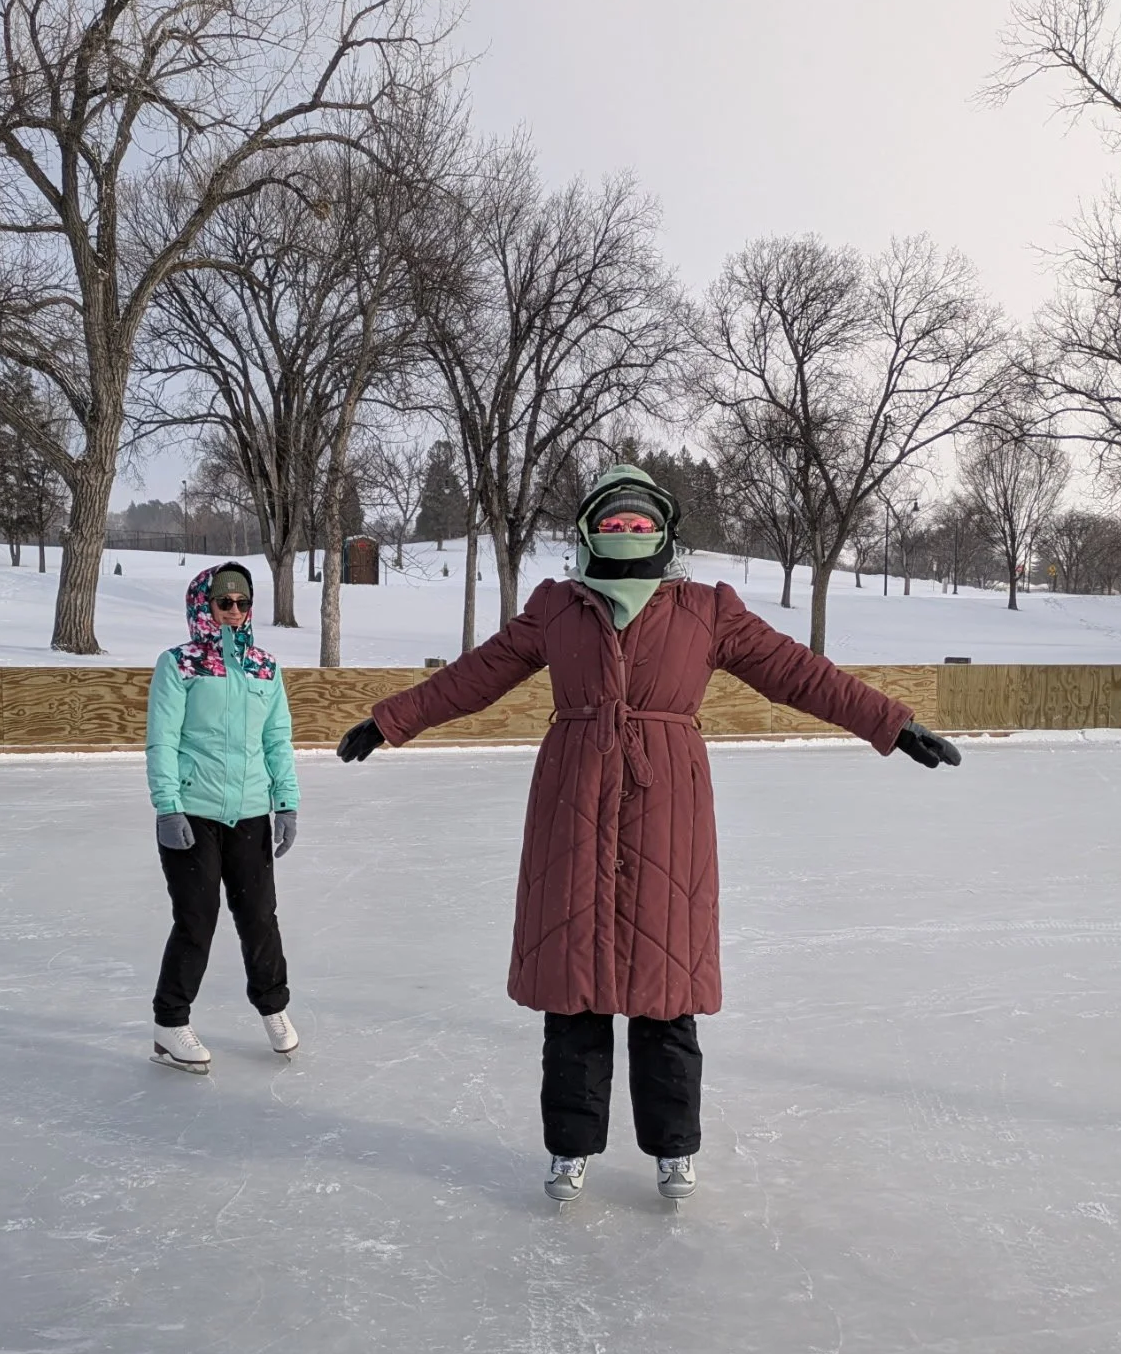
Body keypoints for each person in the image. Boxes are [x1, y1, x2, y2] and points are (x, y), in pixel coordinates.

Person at [337, 463, 960, 1202]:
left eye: (640, 522)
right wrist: (388, 720)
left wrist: (890, 723)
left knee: (665, 988)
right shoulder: (554, 606)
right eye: (613, 520)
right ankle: (570, 1146)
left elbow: (800, 673)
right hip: (571, 802)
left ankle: (672, 1146)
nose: (627, 532)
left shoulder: (707, 608)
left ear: (663, 533)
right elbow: (475, 674)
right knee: (573, 990)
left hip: (667, 805)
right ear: (586, 531)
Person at [145, 561, 301, 1072]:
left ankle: (274, 1008)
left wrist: (287, 802)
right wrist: (167, 807)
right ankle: (170, 1023)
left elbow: (277, 740)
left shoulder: (265, 667)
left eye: (243, 603)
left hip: (251, 812)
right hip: (193, 812)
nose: (235, 612)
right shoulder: (179, 664)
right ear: (202, 605)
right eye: (224, 602)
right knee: (197, 920)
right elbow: (162, 741)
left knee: (260, 917)